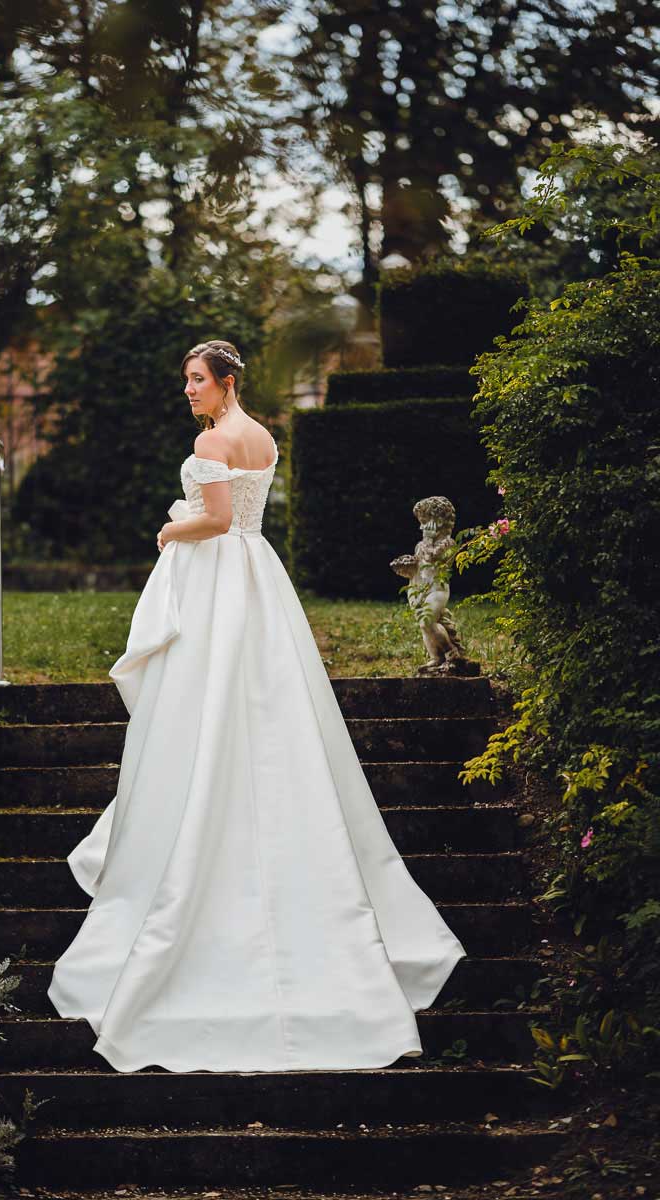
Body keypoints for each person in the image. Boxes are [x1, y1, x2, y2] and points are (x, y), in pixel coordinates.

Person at [47, 338, 467, 1073]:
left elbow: (211, 519)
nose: (189, 391)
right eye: (186, 380)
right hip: (257, 574)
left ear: (226, 380)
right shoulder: (265, 434)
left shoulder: (214, 438)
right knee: (267, 697)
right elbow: (244, 514)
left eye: (197, 379)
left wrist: (169, 528)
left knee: (209, 701)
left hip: (218, 572)